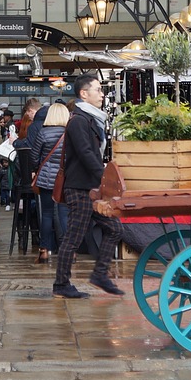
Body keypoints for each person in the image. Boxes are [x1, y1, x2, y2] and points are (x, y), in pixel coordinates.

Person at [52, 74, 124, 299]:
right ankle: (61, 284)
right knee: (74, 236)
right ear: (84, 94)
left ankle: (100, 274)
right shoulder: (80, 120)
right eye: (98, 89)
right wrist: (105, 178)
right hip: (80, 187)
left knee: (115, 229)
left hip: (90, 187)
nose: (102, 94)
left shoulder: (92, 118)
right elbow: (85, 153)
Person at [31, 103, 69, 264]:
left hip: (46, 178)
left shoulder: (43, 132)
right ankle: (69, 251)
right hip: (65, 178)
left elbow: (34, 156)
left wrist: (37, 167)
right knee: (64, 214)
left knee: (46, 214)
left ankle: (44, 250)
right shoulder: (70, 133)